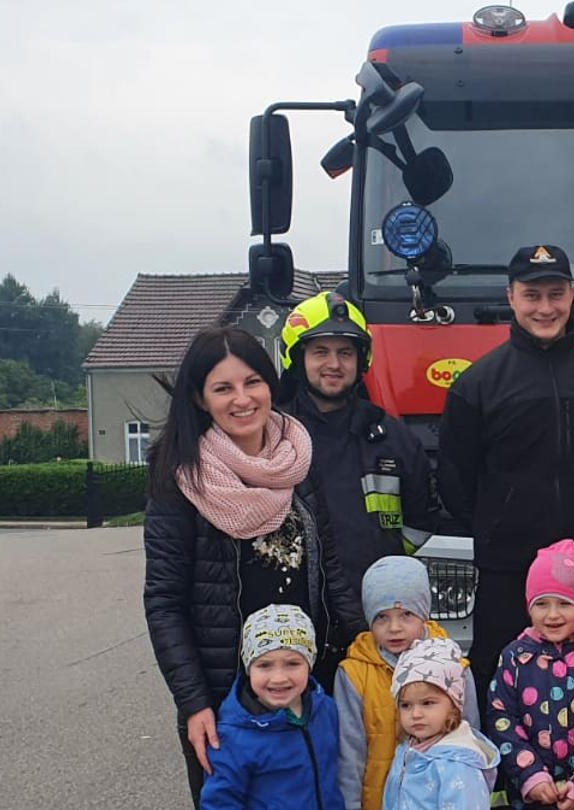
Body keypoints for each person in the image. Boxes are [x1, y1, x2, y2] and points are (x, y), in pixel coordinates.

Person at [142, 327, 354, 802]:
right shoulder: (179, 477)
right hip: (227, 699)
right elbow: (164, 602)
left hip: (304, 686)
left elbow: (331, 571)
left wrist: (366, 647)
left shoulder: (296, 459)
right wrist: (194, 703)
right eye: (223, 388)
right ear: (200, 398)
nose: (242, 399)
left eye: (253, 382)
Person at [437, 245, 574, 695]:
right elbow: (456, 480)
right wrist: (505, 524)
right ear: (511, 297)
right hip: (509, 572)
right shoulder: (478, 383)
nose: (545, 307)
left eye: (556, 293)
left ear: (572, 295)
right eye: (532, 295)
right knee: (504, 688)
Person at [278, 290, 439, 670]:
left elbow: (423, 521)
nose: (334, 364)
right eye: (321, 352)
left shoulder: (392, 438)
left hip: (380, 620)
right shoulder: (275, 436)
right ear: (297, 358)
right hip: (298, 613)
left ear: (361, 360)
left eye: (345, 353)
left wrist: (389, 572)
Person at [337, 556, 481, 810]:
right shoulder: (354, 673)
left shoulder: (453, 665)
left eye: (406, 614)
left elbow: (470, 740)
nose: (394, 628)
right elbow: (349, 754)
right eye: (381, 617)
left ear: (424, 613)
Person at [484, 539, 574, 810]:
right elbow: (502, 719)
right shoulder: (515, 657)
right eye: (542, 604)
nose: (553, 615)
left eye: (565, 604)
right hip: (530, 796)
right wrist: (530, 775)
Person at [200, 604, 348, 810]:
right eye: (264, 665)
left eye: (293, 664)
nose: (278, 678)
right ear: (249, 668)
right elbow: (219, 802)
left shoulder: (326, 709)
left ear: (310, 664)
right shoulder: (232, 737)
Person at [384, 638, 502, 810]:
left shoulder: (456, 764)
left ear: (453, 706)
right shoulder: (407, 749)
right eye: (406, 705)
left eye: (428, 703)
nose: (415, 714)